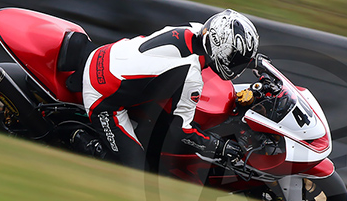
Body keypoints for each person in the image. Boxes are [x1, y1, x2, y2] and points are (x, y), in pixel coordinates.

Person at [72, 9, 259, 170]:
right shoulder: (190, 75)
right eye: (236, 60)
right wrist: (219, 146)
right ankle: (79, 139)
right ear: (222, 50)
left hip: (107, 54)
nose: (237, 66)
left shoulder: (194, 28)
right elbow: (180, 132)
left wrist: (254, 62)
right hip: (102, 95)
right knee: (137, 170)